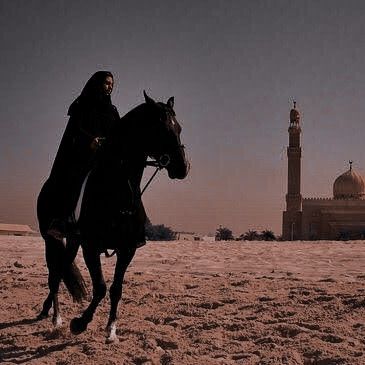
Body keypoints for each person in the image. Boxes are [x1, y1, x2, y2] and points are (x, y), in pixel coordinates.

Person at [46, 71, 120, 240]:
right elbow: (75, 130)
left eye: (112, 84)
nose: (110, 87)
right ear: (97, 84)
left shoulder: (112, 110)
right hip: (83, 156)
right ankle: (61, 221)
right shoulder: (82, 105)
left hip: (106, 157)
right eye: (107, 83)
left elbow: (118, 133)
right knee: (76, 180)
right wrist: (90, 140)